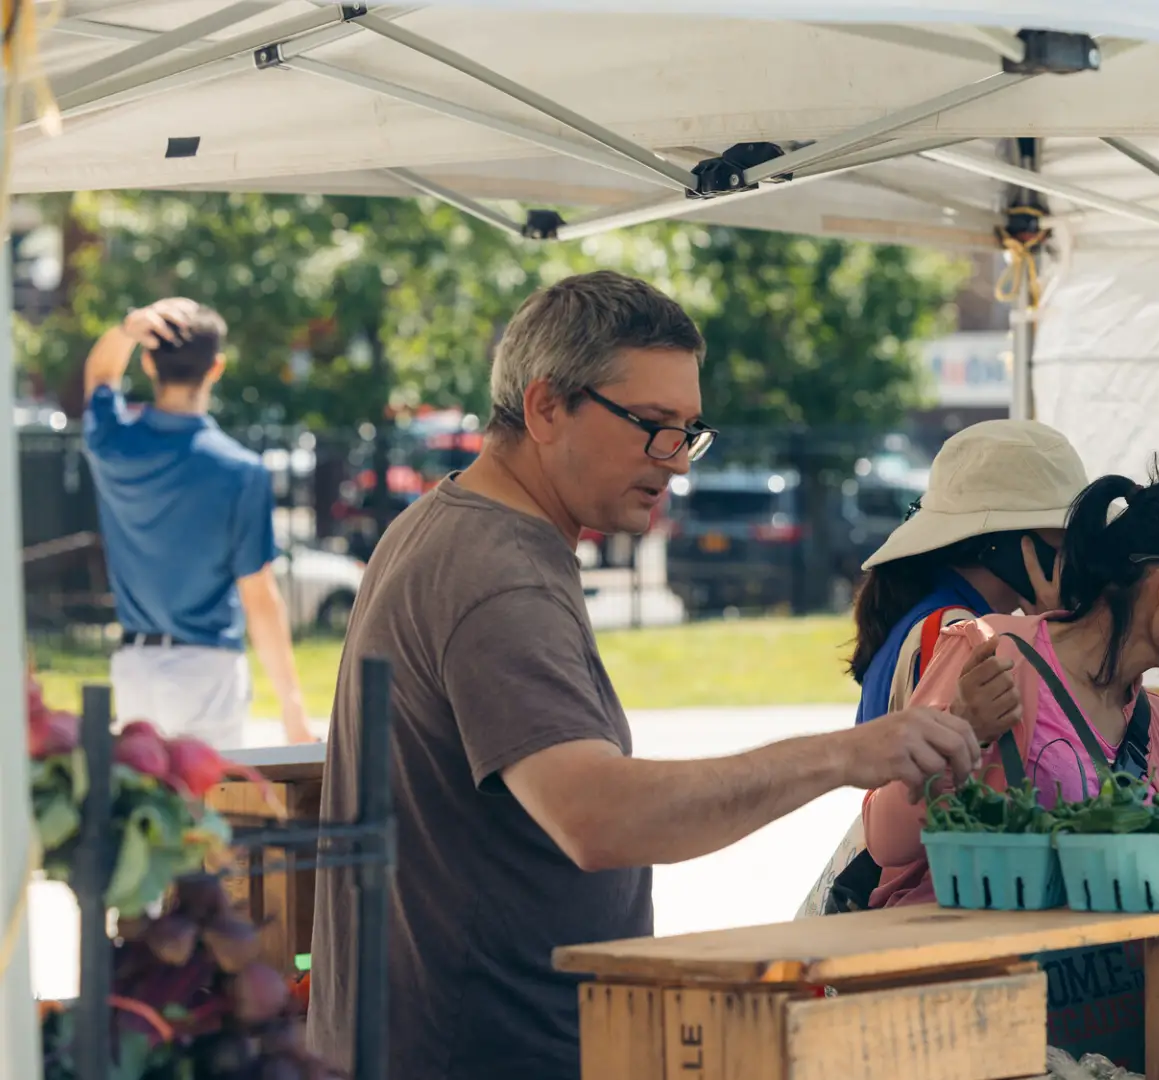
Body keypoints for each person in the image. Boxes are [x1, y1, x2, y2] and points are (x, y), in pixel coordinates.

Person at [307, 272, 984, 1080]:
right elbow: (598, 816)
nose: (677, 462)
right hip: (486, 1048)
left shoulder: (449, 522)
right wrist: (846, 755)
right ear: (545, 405)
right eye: (653, 426)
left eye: (689, 431)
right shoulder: (500, 575)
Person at [864, 466, 1159, 1072]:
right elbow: (884, 838)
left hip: (1096, 1043)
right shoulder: (995, 654)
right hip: (963, 1023)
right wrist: (966, 734)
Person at [798, 419, 1088, 916]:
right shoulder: (963, 634)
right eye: (1061, 543)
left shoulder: (921, 612)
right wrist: (1054, 632)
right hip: (931, 901)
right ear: (1005, 541)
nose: (1075, 560)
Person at [80, 298, 313, 749]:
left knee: (144, 811)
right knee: (206, 812)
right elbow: (259, 596)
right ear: (217, 367)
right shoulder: (241, 471)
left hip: (135, 668)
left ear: (149, 362)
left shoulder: (113, 445)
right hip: (208, 672)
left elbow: (101, 376)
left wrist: (128, 329)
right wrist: (292, 707)